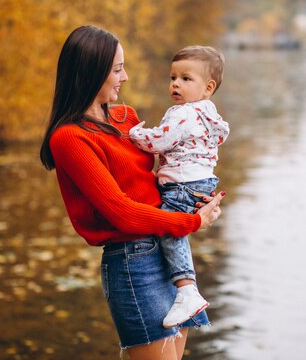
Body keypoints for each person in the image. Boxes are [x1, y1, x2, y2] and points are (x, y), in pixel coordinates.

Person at [39, 25, 225, 360]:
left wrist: (197, 196)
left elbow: (159, 177)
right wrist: (191, 223)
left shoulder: (127, 120)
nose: (124, 78)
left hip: (170, 250)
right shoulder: (69, 138)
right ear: (91, 72)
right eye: (117, 69)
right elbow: (120, 211)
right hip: (133, 260)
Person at [128, 46, 229, 328]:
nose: (176, 84)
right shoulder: (208, 114)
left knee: (170, 229)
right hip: (200, 180)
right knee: (175, 231)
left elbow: (159, 141)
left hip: (183, 182)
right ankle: (183, 289)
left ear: (208, 88)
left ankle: (187, 290)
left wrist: (135, 134)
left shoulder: (183, 113)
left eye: (186, 79)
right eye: (173, 77)